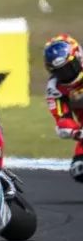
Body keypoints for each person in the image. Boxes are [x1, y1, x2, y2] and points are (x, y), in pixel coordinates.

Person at [43, 34, 83, 182]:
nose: (66, 74)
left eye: (69, 68)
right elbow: (62, 120)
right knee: (78, 169)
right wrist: (76, 132)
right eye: (60, 71)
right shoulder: (55, 88)